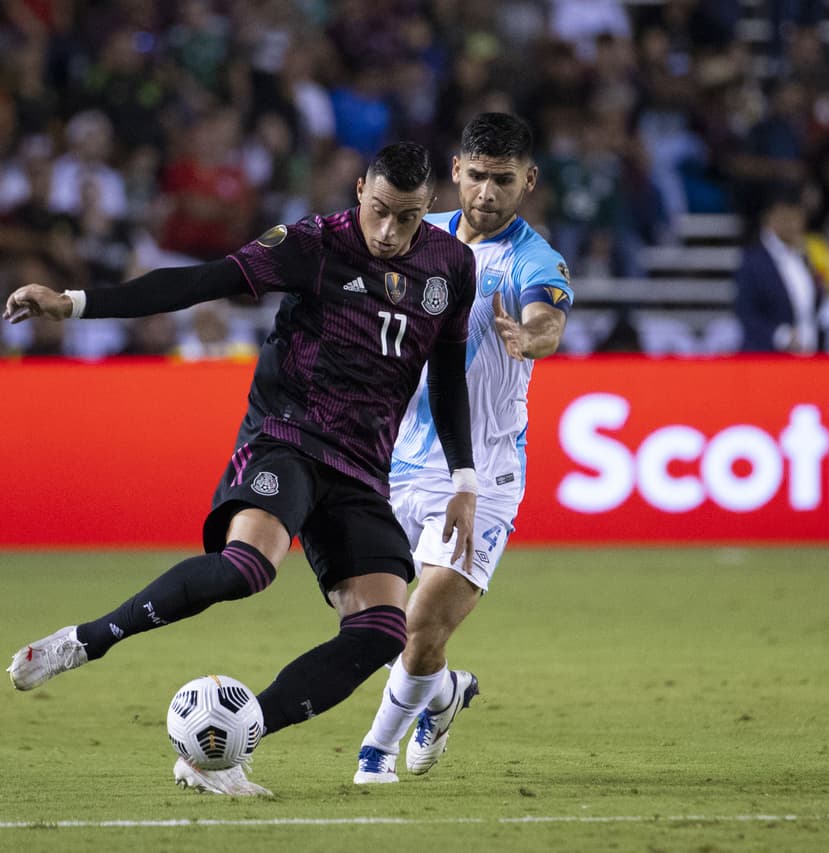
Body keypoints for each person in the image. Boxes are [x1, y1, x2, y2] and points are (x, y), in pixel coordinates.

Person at [4, 141, 478, 797]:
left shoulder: (451, 266)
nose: (391, 231)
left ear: (430, 208)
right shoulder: (315, 243)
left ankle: (221, 748)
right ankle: (82, 641)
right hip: (288, 437)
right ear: (360, 189)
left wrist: (464, 479)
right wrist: (75, 302)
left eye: (409, 217)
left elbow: (448, 377)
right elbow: (202, 281)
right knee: (246, 567)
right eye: (380, 211)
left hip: (363, 470)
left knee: (380, 630)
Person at [352, 112, 572, 784]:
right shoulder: (416, 236)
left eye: (503, 179)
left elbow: (548, 320)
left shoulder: (534, 259)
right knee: (372, 620)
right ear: (455, 171)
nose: (486, 191)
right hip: (395, 463)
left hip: (484, 477)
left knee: (418, 625)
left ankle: (374, 756)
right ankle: (444, 695)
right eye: (476, 175)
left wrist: (527, 338)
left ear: (527, 181)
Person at [734, 186, 822, 355]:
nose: (794, 224)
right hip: (769, 360)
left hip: (808, 356)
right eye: (788, 217)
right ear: (770, 218)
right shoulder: (752, 261)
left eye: (798, 217)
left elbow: (808, 305)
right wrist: (783, 337)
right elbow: (746, 315)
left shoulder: (803, 256)